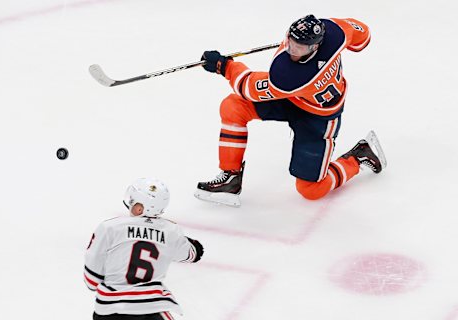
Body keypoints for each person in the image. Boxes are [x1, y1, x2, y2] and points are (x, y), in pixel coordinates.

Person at [194, 14, 387, 207]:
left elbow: (249, 87)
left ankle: (359, 155)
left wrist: (223, 66)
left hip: (318, 120)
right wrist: (346, 45)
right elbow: (363, 35)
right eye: (291, 42)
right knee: (233, 107)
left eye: (299, 47)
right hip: (294, 98)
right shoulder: (335, 32)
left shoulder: (292, 77)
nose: (292, 50)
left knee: (311, 190)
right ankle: (231, 178)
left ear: (315, 47)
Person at [84, 178, 204, 320]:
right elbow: (193, 254)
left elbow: (91, 281)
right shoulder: (171, 231)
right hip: (150, 309)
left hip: (108, 310)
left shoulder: (109, 227)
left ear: (140, 208)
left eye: (132, 201)